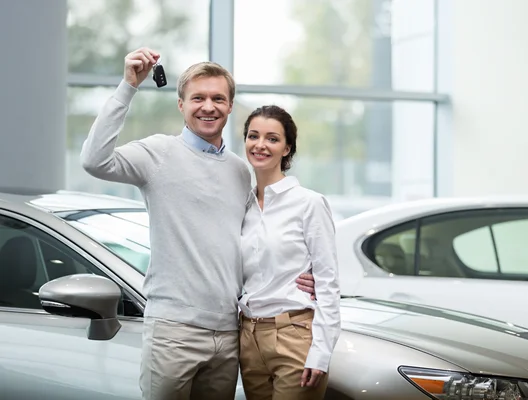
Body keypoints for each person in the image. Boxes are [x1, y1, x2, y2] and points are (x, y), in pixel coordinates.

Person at [80, 47, 314, 400]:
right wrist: (129, 85)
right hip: (173, 331)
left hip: (229, 334)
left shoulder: (240, 170)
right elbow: (94, 161)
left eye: (218, 98)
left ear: (230, 106)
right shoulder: (158, 153)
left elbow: (254, 242)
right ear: (181, 105)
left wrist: (300, 274)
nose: (209, 106)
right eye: (198, 98)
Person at [238, 105, 341, 400]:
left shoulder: (309, 203)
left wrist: (320, 352)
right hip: (248, 337)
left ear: (287, 149)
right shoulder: (241, 205)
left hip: (294, 334)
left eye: (272, 139)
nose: (260, 145)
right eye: (253, 136)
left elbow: (328, 283)